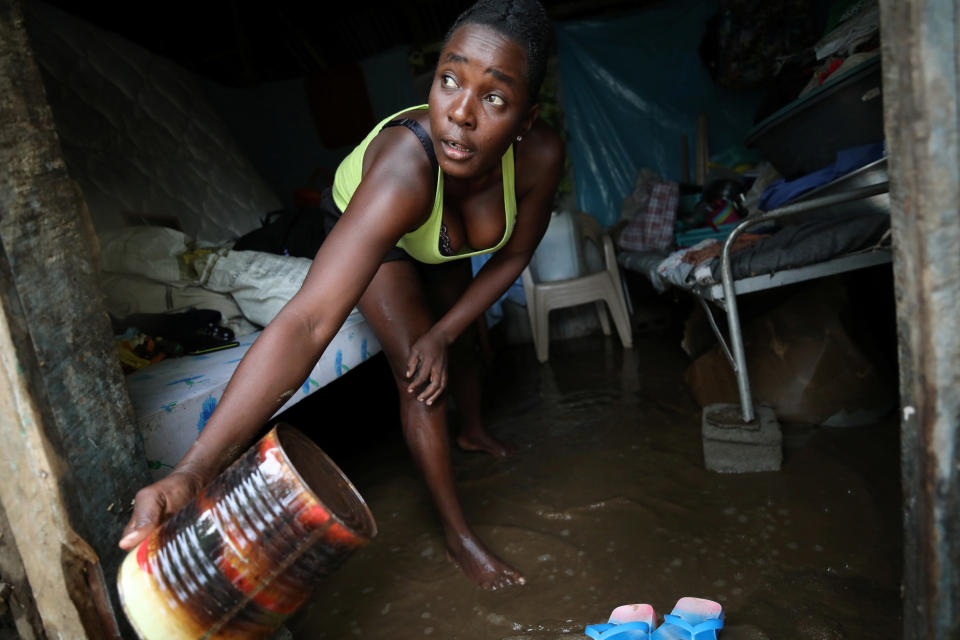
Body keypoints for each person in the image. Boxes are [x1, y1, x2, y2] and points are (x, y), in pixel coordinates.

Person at [119, 0, 563, 591]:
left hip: (442, 243)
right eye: (448, 80)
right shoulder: (404, 172)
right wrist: (193, 472)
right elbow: (307, 320)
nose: (459, 113)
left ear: (526, 120)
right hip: (380, 229)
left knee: (463, 340)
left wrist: (447, 329)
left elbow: (512, 256)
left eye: (494, 98)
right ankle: (459, 537)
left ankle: (473, 428)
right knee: (419, 376)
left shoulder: (541, 156)